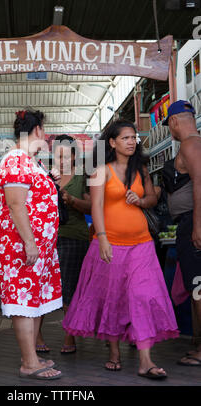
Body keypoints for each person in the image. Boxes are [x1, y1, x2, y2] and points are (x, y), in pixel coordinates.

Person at [63, 119, 179, 380]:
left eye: (133, 137)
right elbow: (96, 207)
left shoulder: (142, 170)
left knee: (143, 296)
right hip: (111, 243)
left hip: (142, 244)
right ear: (112, 142)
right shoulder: (101, 171)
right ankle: (114, 352)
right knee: (112, 297)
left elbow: (152, 198)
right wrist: (102, 237)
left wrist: (141, 200)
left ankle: (146, 361)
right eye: (125, 137)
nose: (131, 142)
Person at [0, 109, 63, 380]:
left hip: (33, 249)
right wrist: (31, 243)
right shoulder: (15, 159)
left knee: (32, 302)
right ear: (37, 131)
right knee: (23, 303)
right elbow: (15, 204)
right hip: (20, 247)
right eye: (44, 130)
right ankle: (29, 363)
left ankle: (30, 356)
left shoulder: (29, 161)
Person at [36, 134, 91, 354]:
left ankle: (69, 336)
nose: (60, 159)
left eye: (64, 155)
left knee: (70, 290)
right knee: (40, 288)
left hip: (73, 237)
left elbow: (91, 207)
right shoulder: (46, 176)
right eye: (56, 154)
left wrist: (72, 201)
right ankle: (36, 336)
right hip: (47, 240)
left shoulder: (82, 175)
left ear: (75, 155)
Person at [162, 100, 201, 367]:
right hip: (188, 222)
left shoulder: (189, 144)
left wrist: (197, 225)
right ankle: (197, 344)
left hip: (193, 224)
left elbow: (200, 182)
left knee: (199, 289)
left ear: (174, 121)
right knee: (195, 288)